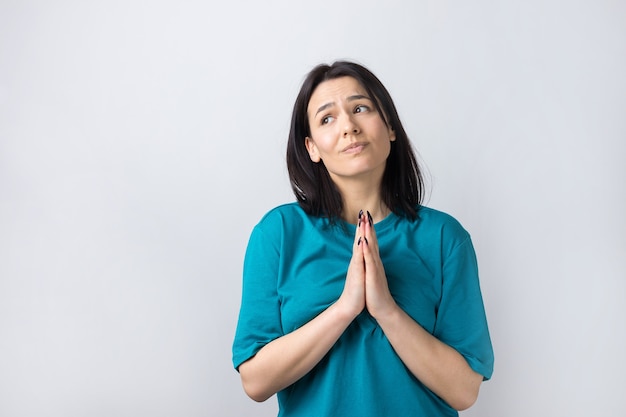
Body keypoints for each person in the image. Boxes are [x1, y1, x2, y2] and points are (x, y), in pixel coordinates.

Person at [232, 61, 494, 416]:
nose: (349, 127)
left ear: (389, 127)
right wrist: (345, 308)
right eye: (327, 118)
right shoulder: (278, 234)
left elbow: (464, 391)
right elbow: (256, 382)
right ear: (311, 148)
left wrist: (386, 309)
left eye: (360, 108)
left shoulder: (445, 238)